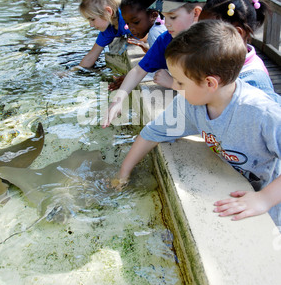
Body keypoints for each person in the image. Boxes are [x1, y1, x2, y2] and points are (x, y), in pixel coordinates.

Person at [113, 20, 281, 226]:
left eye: (180, 82)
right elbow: (151, 133)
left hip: (270, 202)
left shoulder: (262, 112)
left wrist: (264, 199)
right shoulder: (191, 104)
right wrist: (123, 174)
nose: (176, 86)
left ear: (210, 83)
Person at [102, 0, 209, 127]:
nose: (166, 23)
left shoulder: (213, 44)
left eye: (172, 17)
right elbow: (139, 70)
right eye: (164, 17)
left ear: (196, 13)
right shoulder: (166, 40)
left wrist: (172, 83)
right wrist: (118, 100)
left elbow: (207, 92)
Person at [199, 0, 280, 103]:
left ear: (237, 34)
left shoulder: (254, 79)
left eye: (206, 33)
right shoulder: (220, 59)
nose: (199, 38)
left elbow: (272, 114)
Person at [108, 0, 167, 91]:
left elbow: (166, 68)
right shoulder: (161, 24)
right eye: (127, 23)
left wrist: (130, 79)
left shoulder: (155, 33)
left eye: (136, 22)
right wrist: (150, 50)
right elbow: (164, 57)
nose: (131, 28)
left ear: (153, 15)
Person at [75, 0, 131, 69]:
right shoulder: (108, 30)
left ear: (108, 12)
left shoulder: (128, 18)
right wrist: (72, 71)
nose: (91, 25)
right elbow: (91, 56)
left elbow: (146, 35)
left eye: (92, 19)